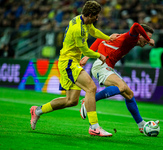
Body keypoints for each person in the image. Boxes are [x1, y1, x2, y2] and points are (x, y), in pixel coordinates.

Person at [30, 1, 119, 137]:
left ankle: (37, 111)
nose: (97, 18)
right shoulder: (78, 29)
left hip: (71, 61)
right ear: (89, 15)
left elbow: (93, 31)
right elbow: (84, 50)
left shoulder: (81, 20)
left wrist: (108, 38)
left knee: (71, 101)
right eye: (96, 16)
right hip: (68, 63)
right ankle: (94, 127)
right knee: (91, 88)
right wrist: (99, 55)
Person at [79, 22, 159, 133]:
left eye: (149, 39)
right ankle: (87, 101)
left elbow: (99, 40)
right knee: (121, 86)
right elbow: (136, 25)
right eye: (147, 38)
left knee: (129, 94)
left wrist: (87, 56)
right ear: (140, 35)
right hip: (102, 66)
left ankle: (141, 124)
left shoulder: (124, 38)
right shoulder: (130, 37)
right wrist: (87, 56)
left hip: (107, 67)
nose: (148, 41)